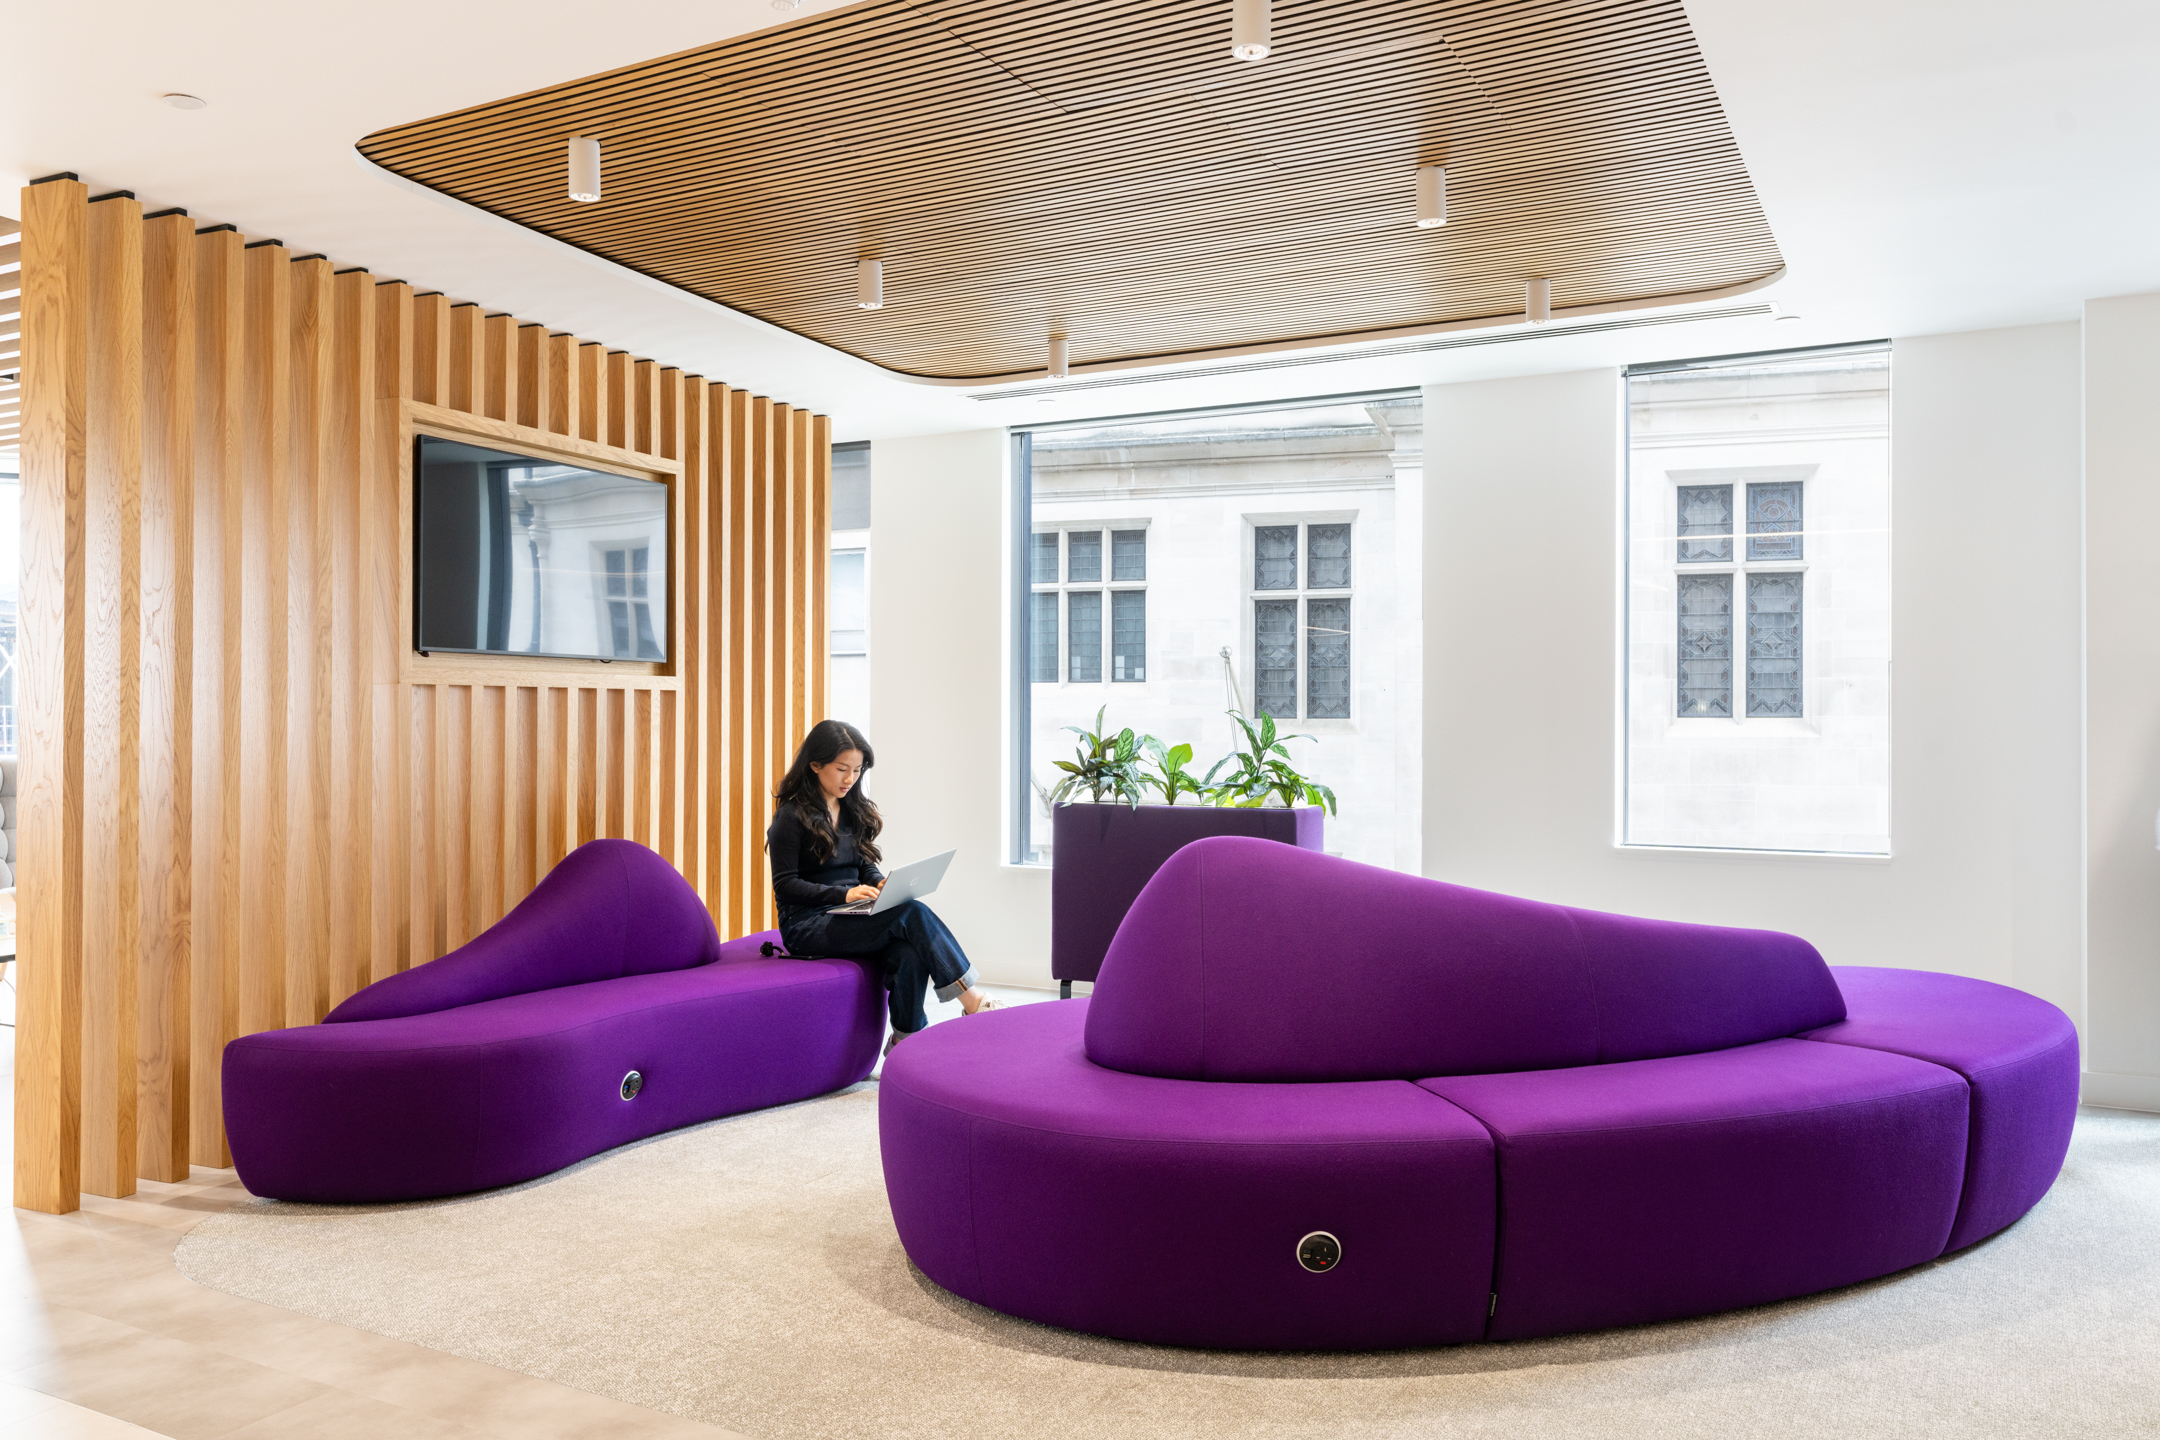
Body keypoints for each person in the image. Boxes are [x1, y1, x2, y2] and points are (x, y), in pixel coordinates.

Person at [767, 719, 999, 1054]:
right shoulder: (790, 817)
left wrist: (879, 883)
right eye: (842, 769)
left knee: (908, 949)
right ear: (815, 765)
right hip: (807, 925)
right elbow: (786, 885)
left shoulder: (848, 807)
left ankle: (906, 1041)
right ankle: (972, 999)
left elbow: (860, 864)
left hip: (847, 914)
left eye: (858, 770)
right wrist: (844, 894)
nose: (850, 779)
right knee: (911, 914)